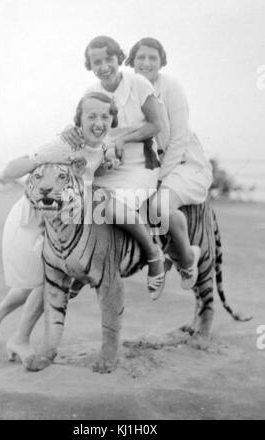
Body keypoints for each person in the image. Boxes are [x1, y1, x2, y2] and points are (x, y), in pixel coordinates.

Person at [0, 90, 162, 348]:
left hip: (63, 220)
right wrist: (40, 159)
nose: (99, 123)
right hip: (35, 219)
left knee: (39, 282)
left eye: (105, 116)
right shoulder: (64, 143)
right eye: (91, 116)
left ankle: (0, 317)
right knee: (42, 281)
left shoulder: (101, 145)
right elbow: (10, 170)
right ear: (78, 120)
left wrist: (104, 166)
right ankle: (18, 336)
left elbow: (91, 170)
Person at [61, 35, 167, 298]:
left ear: (118, 58)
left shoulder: (138, 83)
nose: (104, 66)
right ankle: (86, 269)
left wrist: (121, 139)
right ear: (90, 65)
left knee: (103, 204)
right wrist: (70, 132)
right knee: (79, 203)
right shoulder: (90, 92)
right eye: (97, 61)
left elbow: (157, 125)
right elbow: (81, 126)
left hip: (140, 165)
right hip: (106, 166)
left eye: (108, 58)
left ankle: (153, 254)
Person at [124, 37, 213, 289]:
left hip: (185, 164)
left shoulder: (170, 86)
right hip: (154, 167)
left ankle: (186, 258)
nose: (146, 62)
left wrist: (160, 177)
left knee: (159, 206)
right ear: (132, 61)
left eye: (153, 57)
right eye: (141, 57)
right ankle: (160, 257)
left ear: (162, 62)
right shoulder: (129, 92)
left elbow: (179, 138)